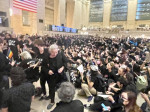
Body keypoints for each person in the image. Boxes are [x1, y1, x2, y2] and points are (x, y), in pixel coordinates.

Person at [42, 44, 68, 109]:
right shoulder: (46, 57)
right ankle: (52, 101)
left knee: (65, 87)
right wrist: (48, 71)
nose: (55, 54)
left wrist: (62, 67)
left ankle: (66, 100)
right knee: (52, 88)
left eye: (56, 52)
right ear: (50, 51)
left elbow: (66, 62)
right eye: (53, 52)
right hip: (52, 75)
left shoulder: (60, 54)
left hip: (61, 74)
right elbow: (43, 67)